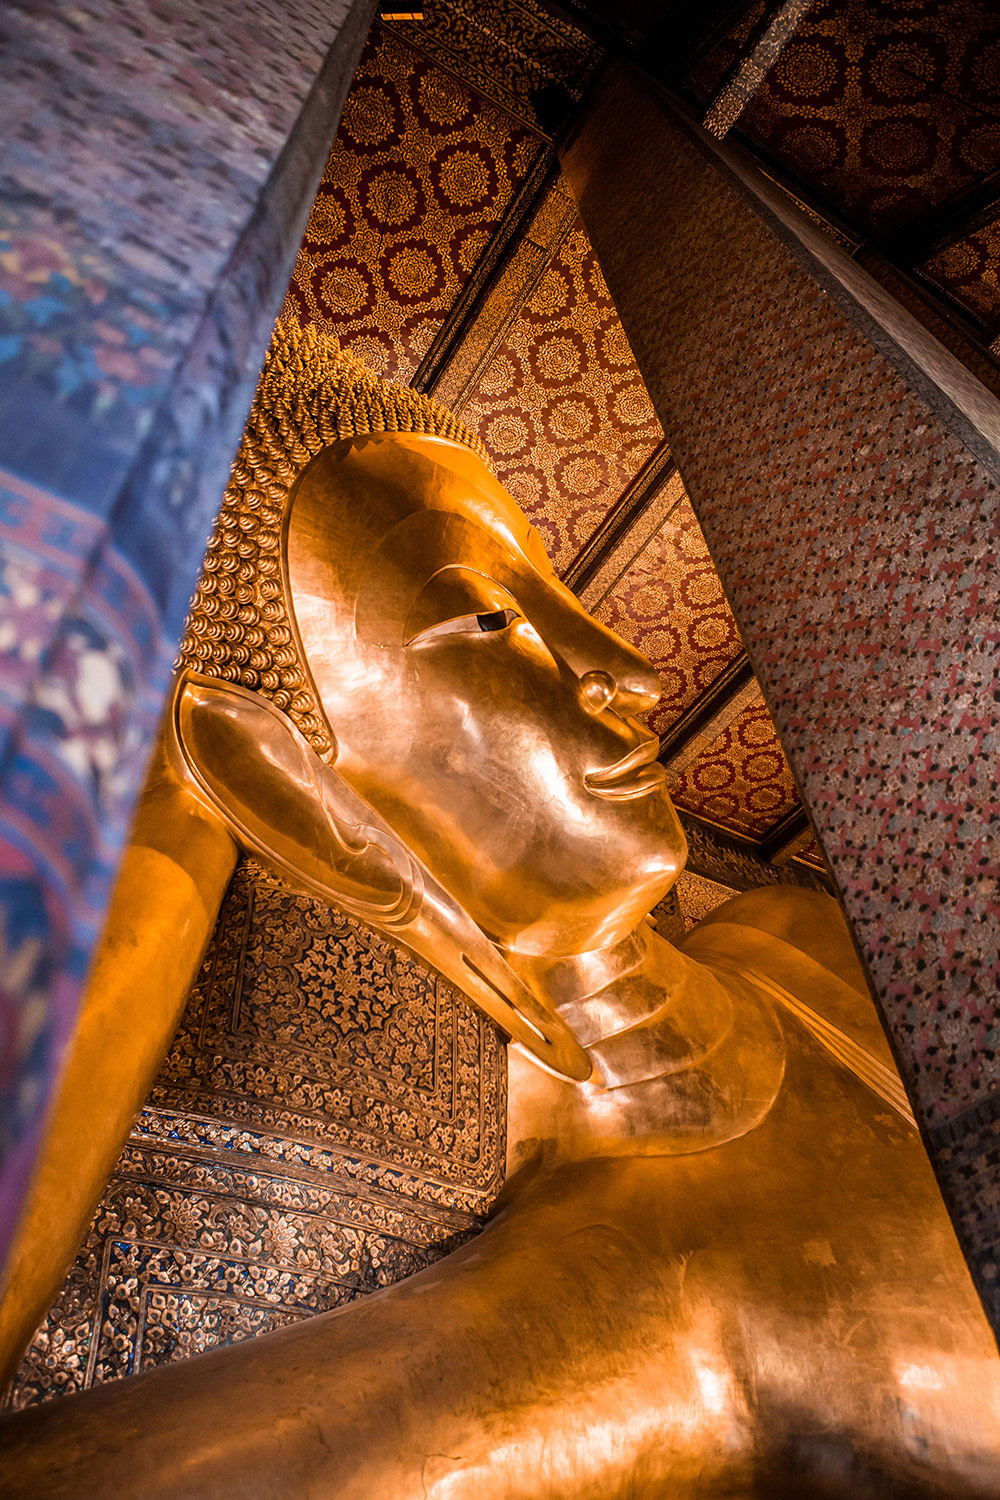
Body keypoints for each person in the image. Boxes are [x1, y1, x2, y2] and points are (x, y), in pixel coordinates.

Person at [2, 327, 999, 1498]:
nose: (629, 669)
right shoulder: (640, 1296)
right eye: (484, 620)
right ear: (282, 783)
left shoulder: (798, 935)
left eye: (556, 598)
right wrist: (166, 810)